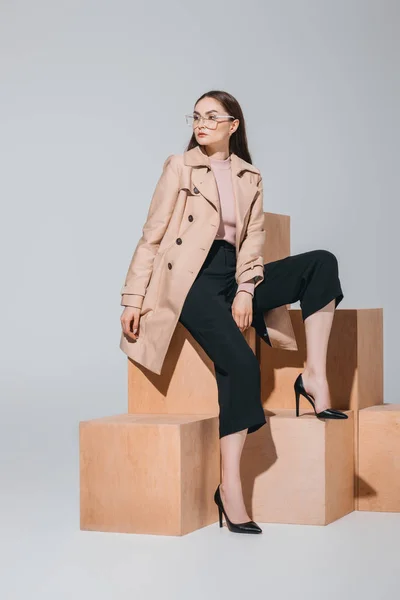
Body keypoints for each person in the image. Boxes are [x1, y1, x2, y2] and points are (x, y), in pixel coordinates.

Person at [120, 90, 346, 535]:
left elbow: (253, 241)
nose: (200, 123)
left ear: (233, 125)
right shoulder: (179, 166)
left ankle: (314, 376)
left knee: (322, 263)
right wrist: (133, 298)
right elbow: (151, 236)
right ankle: (230, 487)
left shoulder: (250, 176)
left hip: (233, 274)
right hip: (190, 281)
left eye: (211, 117)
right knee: (241, 365)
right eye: (196, 117)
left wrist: (246, 289)